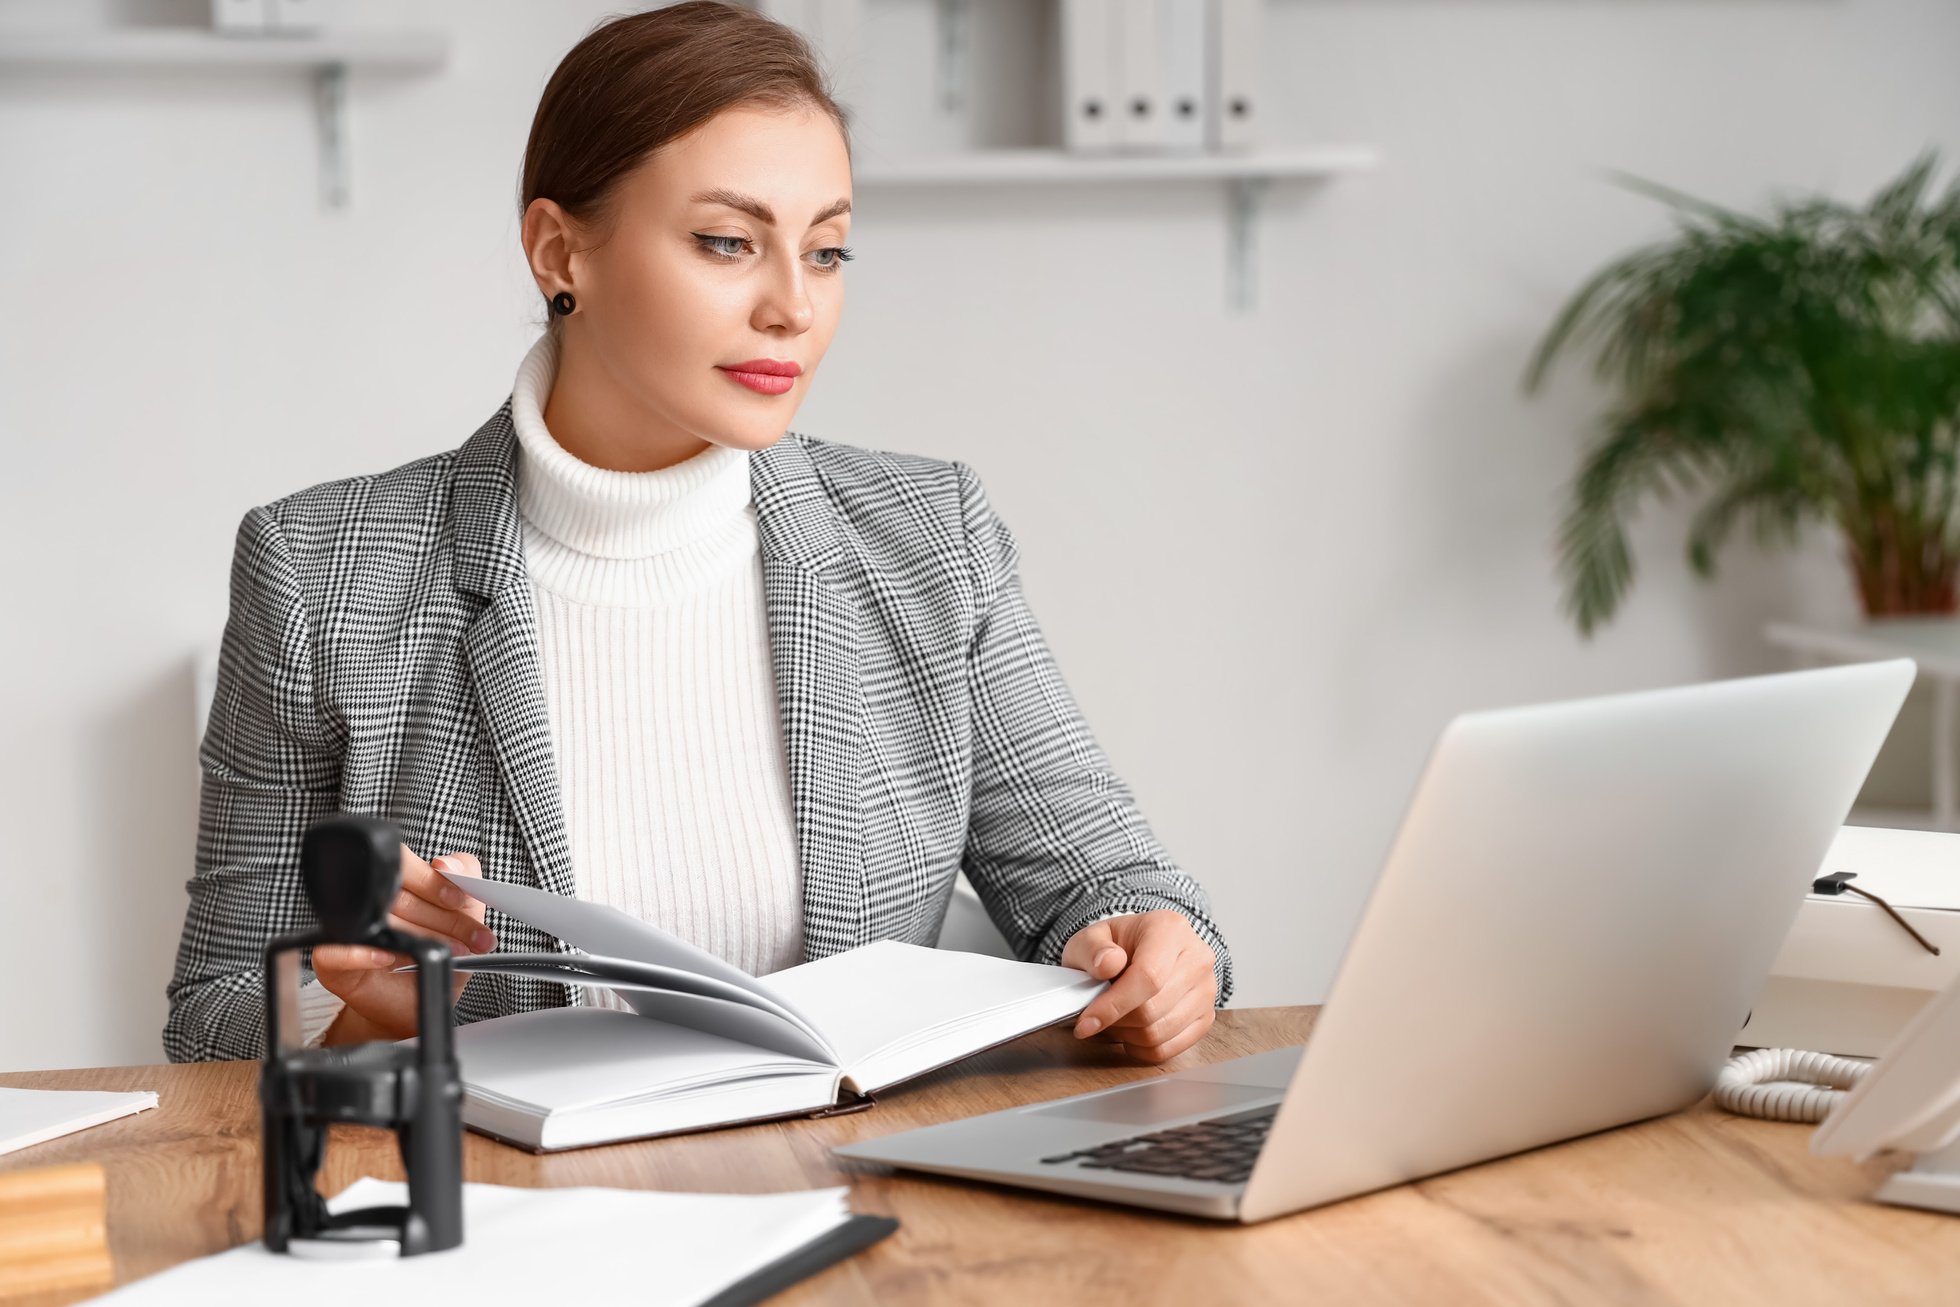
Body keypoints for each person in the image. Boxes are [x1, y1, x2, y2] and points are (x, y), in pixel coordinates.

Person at [165, 1, 1232, 1069]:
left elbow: (1112, 886)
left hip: (857, 1193)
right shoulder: (318, 569)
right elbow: (209, 1019)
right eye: (728, 242)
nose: (793, 307)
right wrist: (357, 1006)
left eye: (826, 250)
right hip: (510, 1212)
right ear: (558, 251)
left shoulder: (928, 540)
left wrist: (1160, 953)